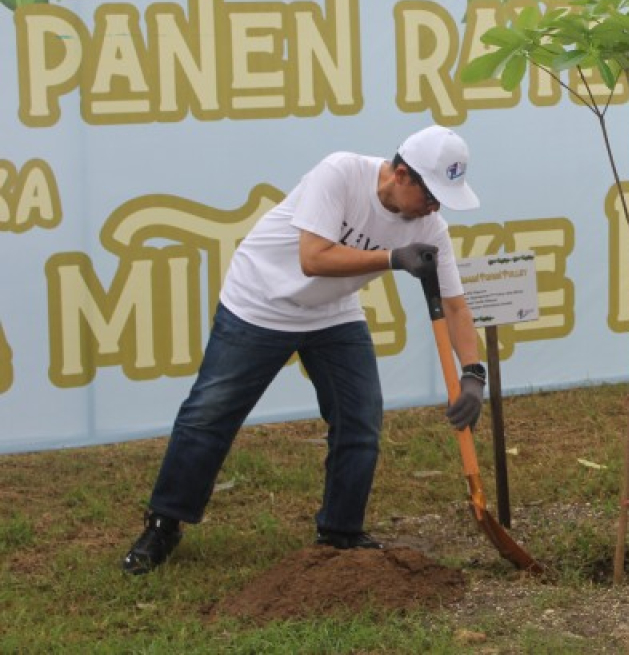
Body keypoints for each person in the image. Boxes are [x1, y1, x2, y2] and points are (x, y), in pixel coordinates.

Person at [121, 126, 487, 574]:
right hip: (259, 301)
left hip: (331, 312)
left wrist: (473, 372)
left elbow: (453, 303)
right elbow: (313, 258)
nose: (434, 207)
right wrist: (393, 258)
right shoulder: (340, 174)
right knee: (210, 414)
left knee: (360, 417)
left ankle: (340, 532)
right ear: (402, 174)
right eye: (430, 194)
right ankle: (164, 523)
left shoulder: (430, 225)